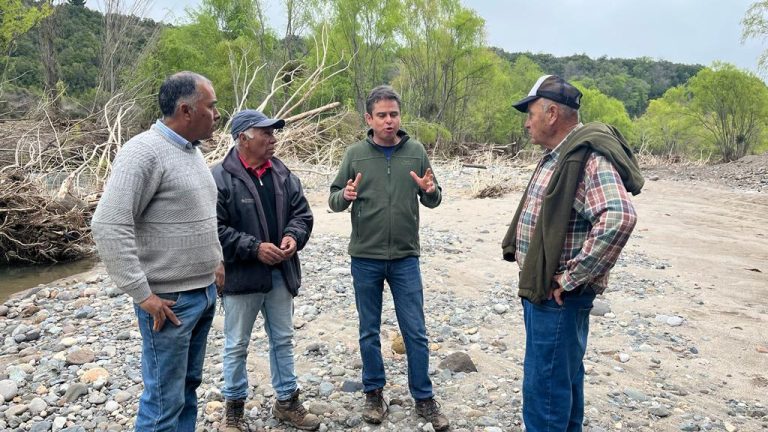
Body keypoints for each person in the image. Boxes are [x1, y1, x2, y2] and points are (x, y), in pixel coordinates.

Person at [501, 75, 644, 432]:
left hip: (557, 298)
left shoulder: (587, 158)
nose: (526, 121)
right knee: (563, 381)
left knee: (545, 391)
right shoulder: (560, 154)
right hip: (547, 293)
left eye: (531, 113)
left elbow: (620, 217)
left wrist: (570, 277)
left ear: (551, 113)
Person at [91, 71, 222, 431]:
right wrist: (142, 293)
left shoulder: (191, 152)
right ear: (186, 110)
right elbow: (107, 224)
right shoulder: (142, 152)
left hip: (203, 293)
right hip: (169, 302)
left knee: (187, 390)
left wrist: (216, 263)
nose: (217, 114)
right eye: (211, 107)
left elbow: (198, 215)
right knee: (163, 401)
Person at [328, 85, 450, 431]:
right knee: (369, 330)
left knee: (416, 331)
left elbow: (433, 197)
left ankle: (424, 398)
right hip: (365, 256)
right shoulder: (355, 154)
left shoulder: (416, 152)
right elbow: (333, 199)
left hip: (405, 258)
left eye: (393, 114)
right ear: (369, 118)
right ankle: (373, 393)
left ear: (400, 115)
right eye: (381, 115)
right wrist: (346, 195)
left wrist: (430, 191)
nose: (388, 121)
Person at [212, 109, 318, 432]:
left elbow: (303, 215)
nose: (273, 139)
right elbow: (213, 230)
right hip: (241, 277)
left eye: (274, 133)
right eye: (266, 133)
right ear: (243, 137)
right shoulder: (219, 178)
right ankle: (233, 409)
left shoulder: (283, 174)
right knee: (236, 344)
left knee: (283, 339)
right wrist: (254, 248)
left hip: (280, 274)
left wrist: (292, 237)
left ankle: (287, 402)